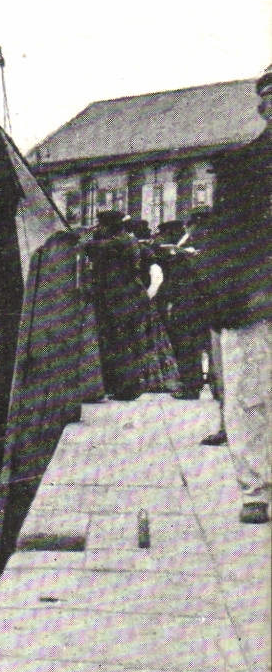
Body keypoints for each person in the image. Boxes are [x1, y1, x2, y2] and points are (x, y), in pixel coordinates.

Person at [194, 63, 271, 524]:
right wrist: (231, 296)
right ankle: (256, 489)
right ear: (263, 108)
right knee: (250, 395)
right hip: (256, 299)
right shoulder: (241, 168)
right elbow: (224, 240)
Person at [84, 210, 178, 400]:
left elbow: (89, 247)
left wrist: (84, 236)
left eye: (102, 225)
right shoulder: (128, 240)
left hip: (122, 298)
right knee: (128, 342)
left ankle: (127, 388)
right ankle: (126, 386)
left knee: (123, 342)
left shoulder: (119, 242)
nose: (100, 229)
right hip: (130, 296)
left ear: (109, 226)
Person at [155, 219, 209, 400]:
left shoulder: (192, 249)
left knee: (186, 345)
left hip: (188, 303)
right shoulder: (189, 247)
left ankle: (190, 386)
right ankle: (193, 384)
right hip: (191, 302)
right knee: (191, 346)